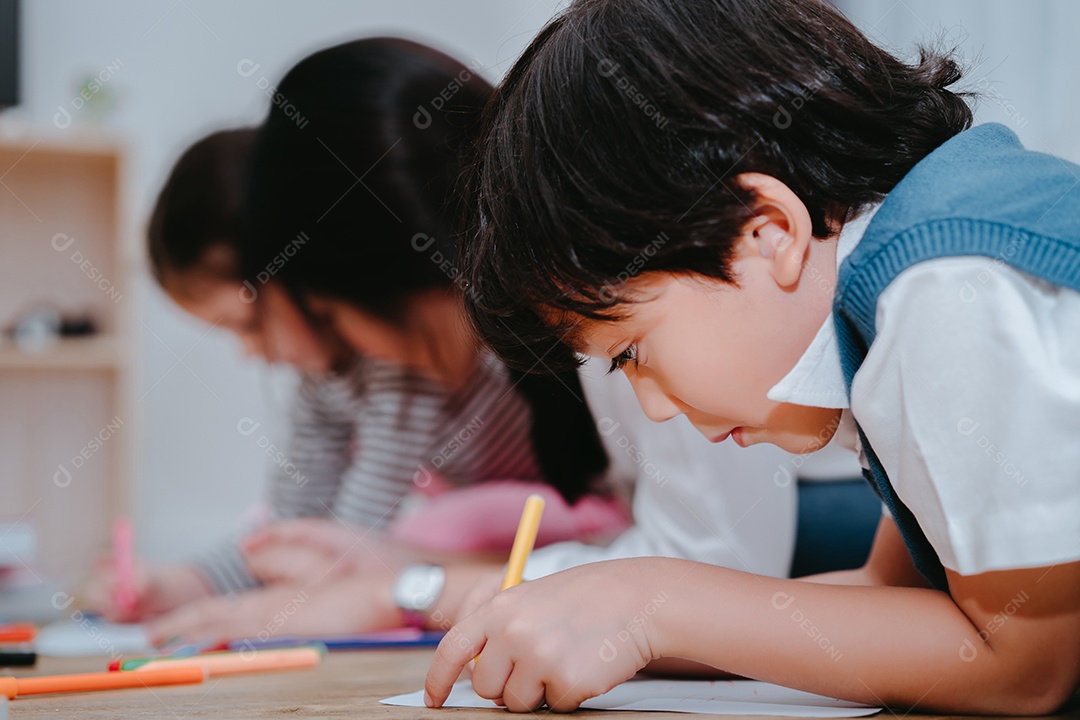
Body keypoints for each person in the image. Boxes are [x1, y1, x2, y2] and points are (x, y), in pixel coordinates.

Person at [423, 0, 1080, 714]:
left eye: (632, 351)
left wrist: (655, 599)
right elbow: (893, 599)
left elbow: (1023, 667)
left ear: (768, 233)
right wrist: (603, 614)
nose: (656, 406)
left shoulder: (946, 284)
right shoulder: (880, 301)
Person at [82, 38, 625, 639]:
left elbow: (349, 546)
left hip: (565, 514)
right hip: (524, 548)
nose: (254, 352)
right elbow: (294, 524)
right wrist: (189, 581)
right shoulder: (334, 377)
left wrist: (291, 601)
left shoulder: (402, 354)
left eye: (249, 322)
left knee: (441, 526)